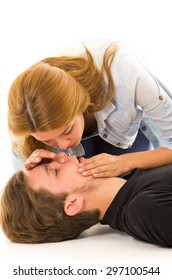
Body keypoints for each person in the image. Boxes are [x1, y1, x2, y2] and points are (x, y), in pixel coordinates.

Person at [8, 39, 172, 177]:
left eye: (66, 130)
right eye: (47, 140)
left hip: (128, 122)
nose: (63, 145)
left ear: (79, 101)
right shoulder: (26, 120)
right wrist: (32, 175)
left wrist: (125, 162)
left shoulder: (128, 77)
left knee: (129, 177)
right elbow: (26, 195)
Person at [1, 148, 172, 247]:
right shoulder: (144, 210)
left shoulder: (133, 178)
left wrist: (125, 161)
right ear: (73, 203)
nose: (63, 156)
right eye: (55, 170)